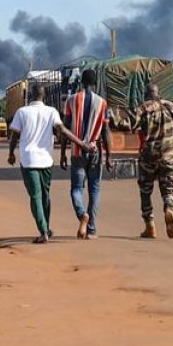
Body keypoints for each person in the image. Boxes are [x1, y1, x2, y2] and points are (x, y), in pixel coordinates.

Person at [9, 84, 93, 244]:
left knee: (36, 196)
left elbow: (14, 136)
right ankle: (46, 228)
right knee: (45, 196)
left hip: (28, 161)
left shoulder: (22, 112)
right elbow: (63, 130)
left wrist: (11, 153)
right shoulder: (51, 111)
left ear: (30, 96)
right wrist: (81, 144)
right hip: (46, 161)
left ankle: (43, 231)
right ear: (45, 96)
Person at [131, 83, 173, 239]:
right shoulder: (171, 107)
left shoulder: (143, 108)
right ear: (158, 93)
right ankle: (169, 209)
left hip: (148, 157)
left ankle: (150, 226)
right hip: (168, 155)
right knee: (168, 188)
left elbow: (129, 124)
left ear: (146, 95)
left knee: (146, 191)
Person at [62, 69, 112, 240]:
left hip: (77, 151)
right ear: (95, 83)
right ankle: (91, 229)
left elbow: (65, 129)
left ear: (81, 83)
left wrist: (62, 153)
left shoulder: (71, 100)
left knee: (76, 189)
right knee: (94, 190)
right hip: (95, 151)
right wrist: (109, 156)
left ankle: (82, 214)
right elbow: (106, 131)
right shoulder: (102, 103)